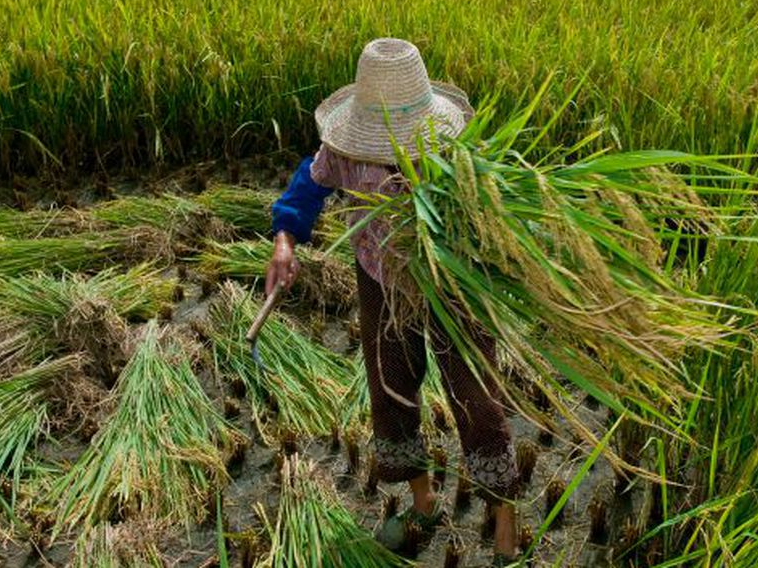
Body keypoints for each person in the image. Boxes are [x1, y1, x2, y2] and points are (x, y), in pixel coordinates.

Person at [266, 38, 519, 566]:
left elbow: (494, 216)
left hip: (452, 283)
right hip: (380, 280)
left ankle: (504, 524)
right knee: (391, 385)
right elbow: (306, 188)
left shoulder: (452, 153)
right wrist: (285, 242)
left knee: (476, 395)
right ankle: (423, 502)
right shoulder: (344, 152)